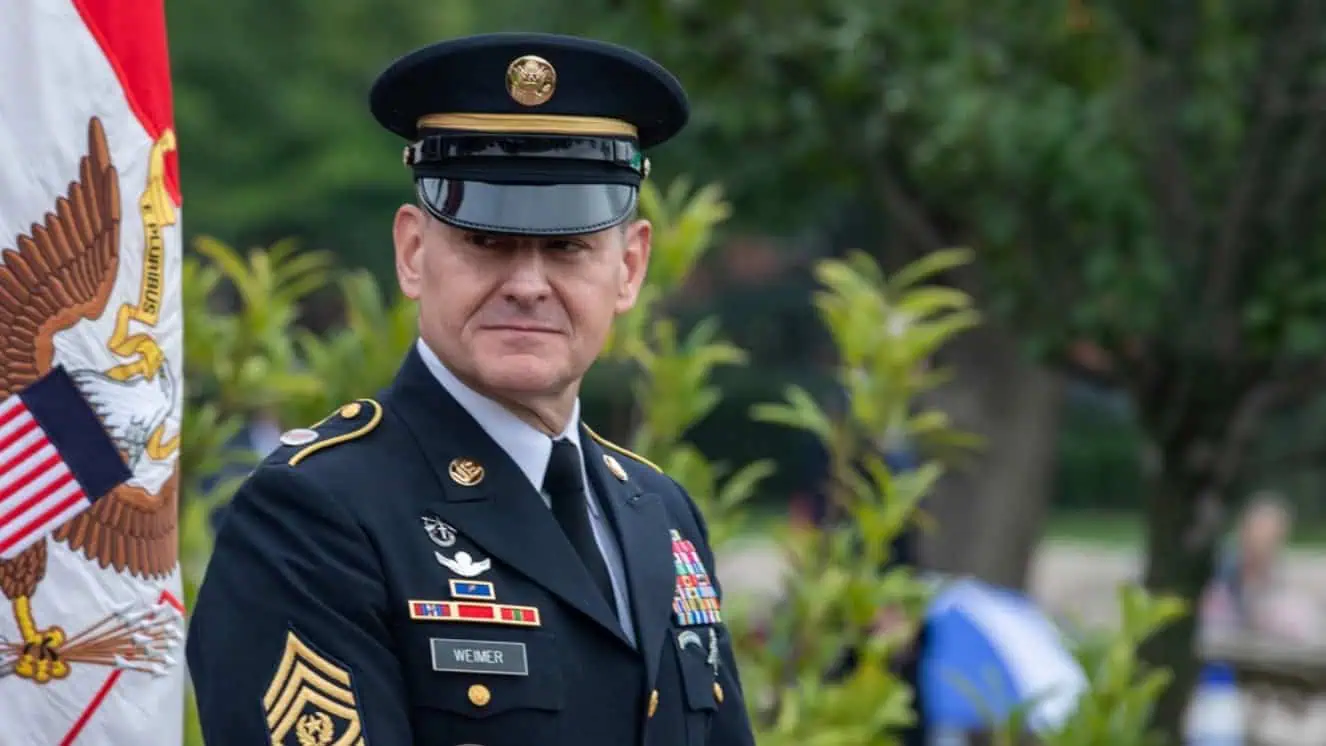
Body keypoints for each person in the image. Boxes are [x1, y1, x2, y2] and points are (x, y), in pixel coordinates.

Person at [186, 32, 756, 746]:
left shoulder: (660, 512)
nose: (526, 285)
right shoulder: (317, 515)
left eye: (567, 247)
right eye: (484, 242)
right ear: (414, 253)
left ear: (631, 267)